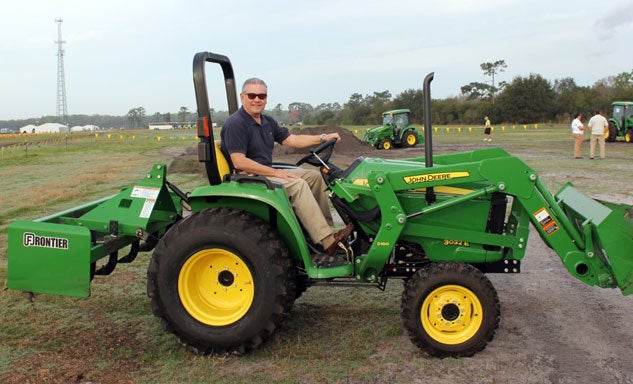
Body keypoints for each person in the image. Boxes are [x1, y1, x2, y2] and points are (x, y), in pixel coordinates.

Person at [220, 77, 353, 267]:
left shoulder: (267, 121)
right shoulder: (236, 123)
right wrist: (276, 173)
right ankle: (327, 240)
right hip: (249, 176)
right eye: (252, 95)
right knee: (298, 185)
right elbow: (239, 162)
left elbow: (293, 140)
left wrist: (324, 137)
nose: (257, 99)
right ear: (243, 97)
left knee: (314, 176)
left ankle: (322, 233)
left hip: (266, 172)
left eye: (262, 95)